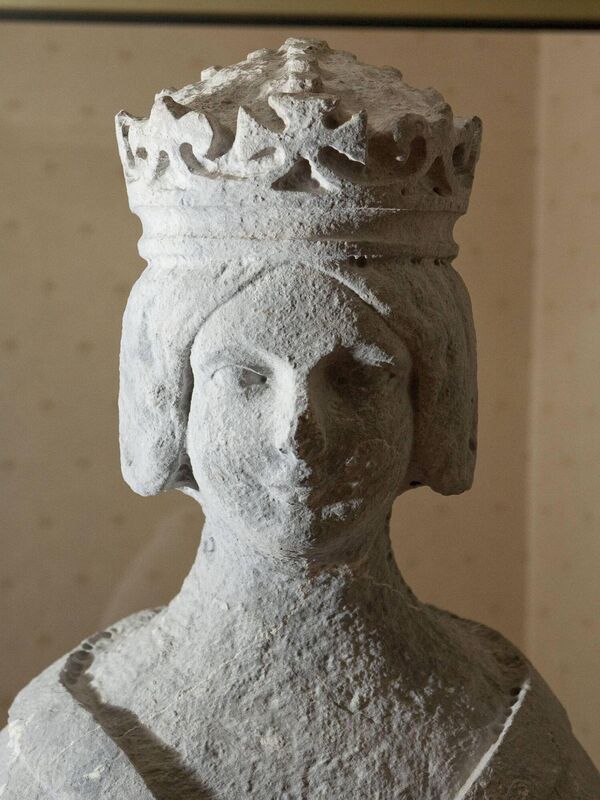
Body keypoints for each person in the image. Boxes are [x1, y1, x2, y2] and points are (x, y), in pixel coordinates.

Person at [1, 38, 598, 799]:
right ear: (170, 400)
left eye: (358, 377)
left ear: (432, 405)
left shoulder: (511, 738)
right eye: (246, 378)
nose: (298, 435)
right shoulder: (68, 745)